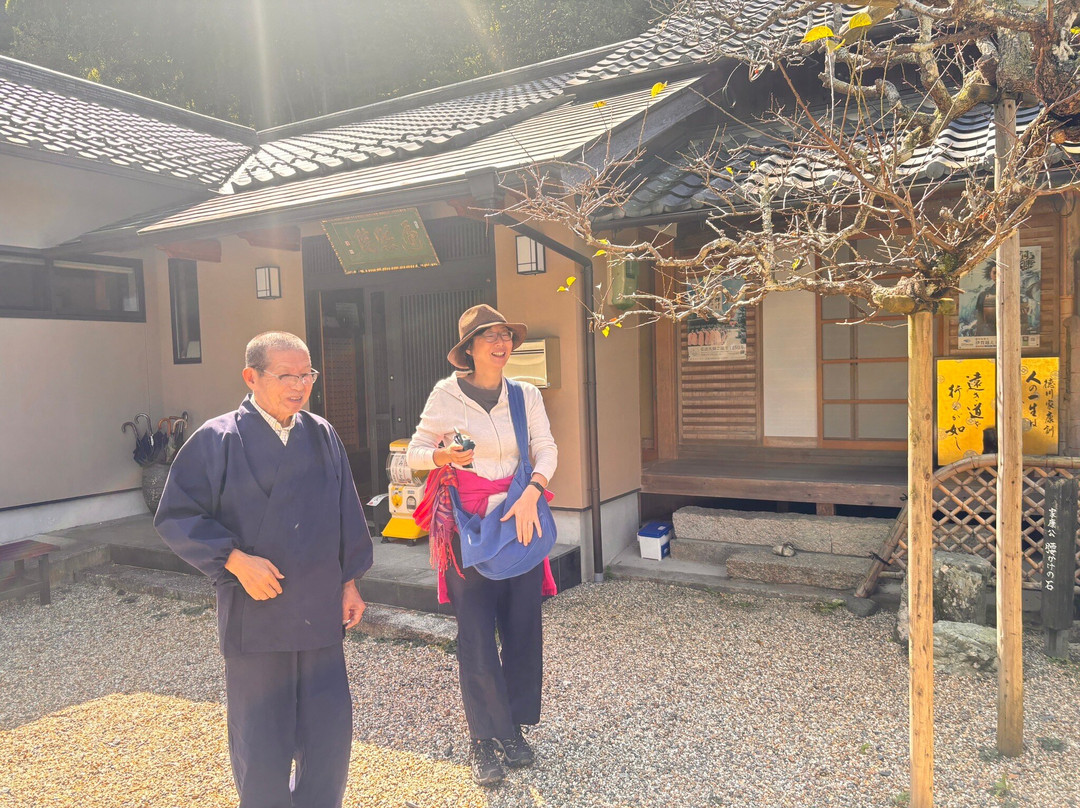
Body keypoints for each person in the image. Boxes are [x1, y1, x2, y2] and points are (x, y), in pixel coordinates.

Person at [155, 331, 373, 808]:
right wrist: (232, 559)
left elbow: (345, 511)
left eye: (306, 375)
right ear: (251, 377)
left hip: (318, 611)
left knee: (327, 739)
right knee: (261, 743)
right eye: (286, 376)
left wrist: (350, 581)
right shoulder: (216, 439)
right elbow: (177, 515)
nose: (299, 386)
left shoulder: (321, 433)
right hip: (256, 615)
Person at [407, 304, 558, 787]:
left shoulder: (525, 394)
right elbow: (413, 455)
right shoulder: (445, 395)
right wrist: (441, 455)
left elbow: (546, 448)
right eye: (488, 336)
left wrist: (534, 490)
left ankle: (512, 728)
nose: (500, 343)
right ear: (468, 349)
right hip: (466, 529)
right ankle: (482, 739)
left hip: (520, 520)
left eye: (505, 335)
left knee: (521, 628)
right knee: (474, 636)